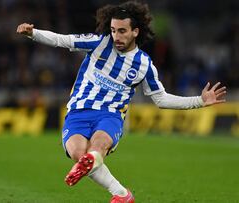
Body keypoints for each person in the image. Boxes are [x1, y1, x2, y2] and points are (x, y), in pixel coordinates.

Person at [16, 1, 227, 203]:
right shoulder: (99, 43)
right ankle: (121, 193)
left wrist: (199, 101)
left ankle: (99, 163)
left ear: (135, 31)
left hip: (110, 115)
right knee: (78, 153)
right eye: (113, 30)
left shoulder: (143, 64)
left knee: (97, 146)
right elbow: (63, 40)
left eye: (122, 31)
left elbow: (161, 99)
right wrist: (33, 34)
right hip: (79, 110)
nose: (116, 36)